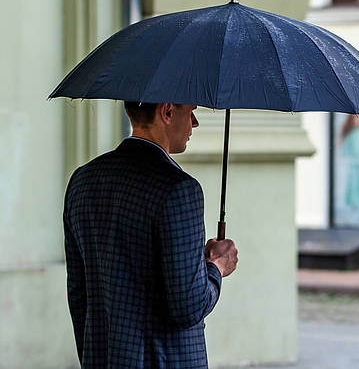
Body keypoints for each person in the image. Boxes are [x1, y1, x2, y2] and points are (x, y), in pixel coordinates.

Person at [63, 102, 239, 368]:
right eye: (190, 111)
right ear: (167, 112)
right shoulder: (179, 190)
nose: (194, 122)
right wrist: (216, 267)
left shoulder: (83, 180)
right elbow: (188, 307)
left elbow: (79, 295)